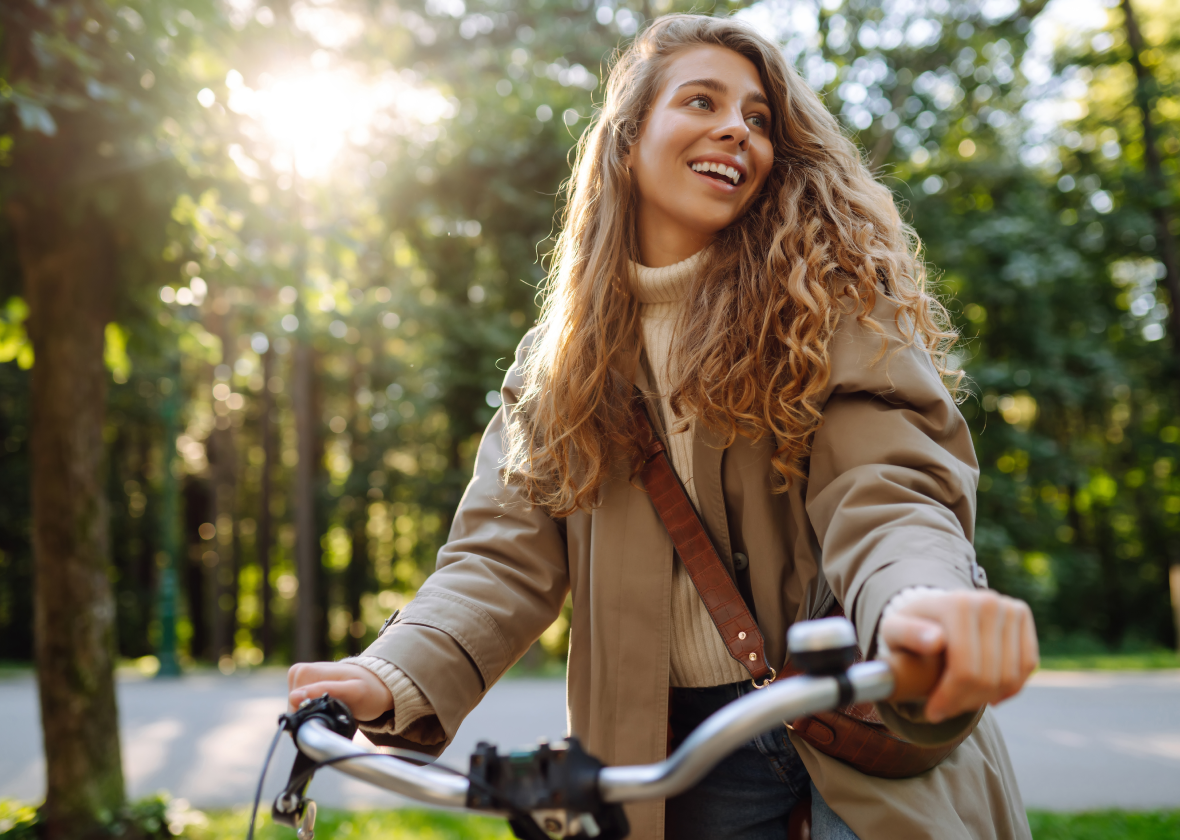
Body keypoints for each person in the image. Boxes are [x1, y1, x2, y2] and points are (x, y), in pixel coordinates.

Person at [287, 14, 1039, 840]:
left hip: (852, 720)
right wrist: (392, 671)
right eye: (701, 101)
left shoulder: (831, 305)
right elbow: (499, 554)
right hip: (676, 755)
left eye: (758, 118)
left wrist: (921, 603)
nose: (734, 129)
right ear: (627, 139)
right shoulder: (555, 364)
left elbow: (889, 489)